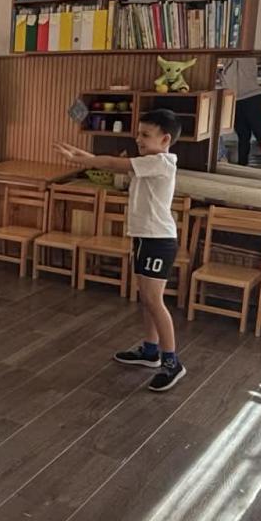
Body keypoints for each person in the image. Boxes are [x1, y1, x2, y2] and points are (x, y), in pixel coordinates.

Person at [55, 109, 187, 393]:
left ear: (165, 139)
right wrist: (83, 156)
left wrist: (81, 159)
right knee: (147, 299)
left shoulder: (161, 162)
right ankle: (150, 351)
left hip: (158, 240)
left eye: (145, 135)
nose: (138, 139)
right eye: (138, 133)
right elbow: (113, 164)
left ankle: (171, 363)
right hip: (145, 238)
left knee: (154, 301)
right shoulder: (148, 162)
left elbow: (114, 163)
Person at [223, 57, 261, 171]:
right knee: (243, 136)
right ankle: (242, 166)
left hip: (253, 96)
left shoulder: (245, 56)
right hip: (237, 99)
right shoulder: (228, 61)